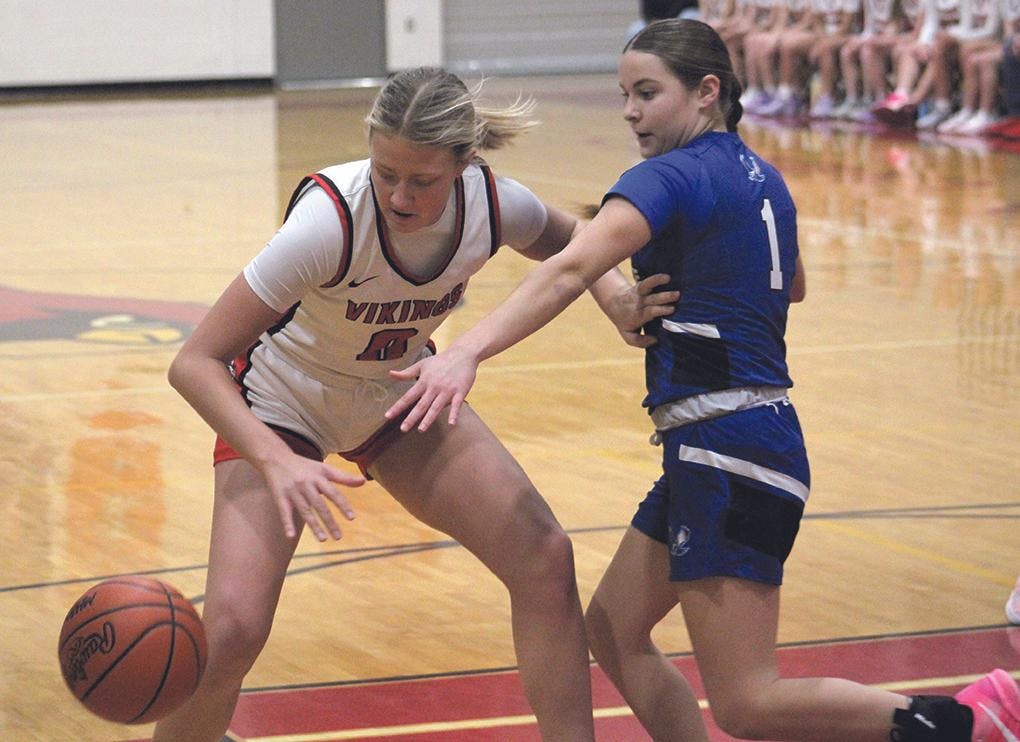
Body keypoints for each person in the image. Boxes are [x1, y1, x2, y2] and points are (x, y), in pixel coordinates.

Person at [385, 19, 1020, 742]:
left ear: (706, 91)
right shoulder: (761, 174)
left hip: (730, 447)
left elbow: (567, 267)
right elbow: (796, 285)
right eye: (625, 94)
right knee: (614, 629)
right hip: (733, 441)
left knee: (749, 702)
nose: (630, 110)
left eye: (647, 93)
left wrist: (463, 352)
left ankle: (970, 721)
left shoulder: (667, 176)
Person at [150, 66, 668, 742]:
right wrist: (274, 460)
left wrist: (617, 298)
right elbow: (194, 362)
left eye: (420, 180)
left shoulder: (492, 203)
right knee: (232, 632)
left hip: (394, 395)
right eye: (386, 171)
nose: (398, 195)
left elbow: (574, 241)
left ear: (462, 163)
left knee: (544, 558)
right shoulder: (327, 223)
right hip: (284, 404)